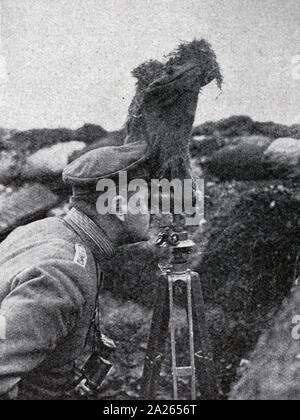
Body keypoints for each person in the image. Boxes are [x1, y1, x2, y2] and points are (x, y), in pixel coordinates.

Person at [0, 142, 150, 400]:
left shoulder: (43, 229)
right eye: (147, 198)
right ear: (118, 206)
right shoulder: (62, 273)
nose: (153, 210)